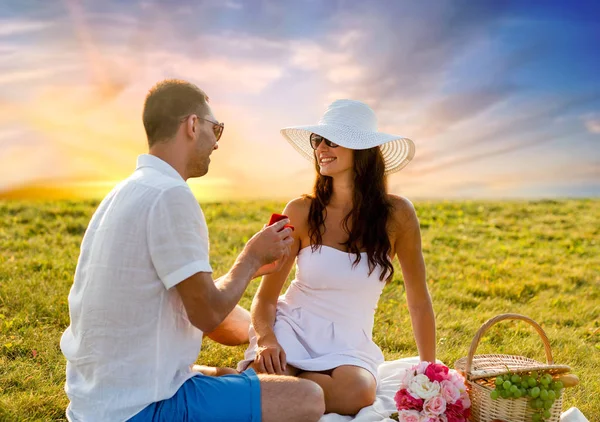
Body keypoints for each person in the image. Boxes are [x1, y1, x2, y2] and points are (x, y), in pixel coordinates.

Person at [60, 79, 325, 422]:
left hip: (98, 398)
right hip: (141, 408)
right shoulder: (172, 196)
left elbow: (208, 313)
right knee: (306, 397)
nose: (216, 142)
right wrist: (250, 258)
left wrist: (266, 331)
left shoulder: (127, 190)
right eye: (217, 128)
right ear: (192, 124)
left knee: (234, 376)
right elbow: (208, 315)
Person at [237, 99, 436, 415]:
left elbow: (418, 300)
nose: (321, 148)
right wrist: (266, 340)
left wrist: (430, 370)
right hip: (293, 328)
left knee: (357, 392)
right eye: (318, 140)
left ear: (361, 150)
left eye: (332, 140)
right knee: (271, 376)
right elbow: (266, 300)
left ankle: (274, 390)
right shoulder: (301, 211)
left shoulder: (398, 215)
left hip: (349, 344)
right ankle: (272, 386)